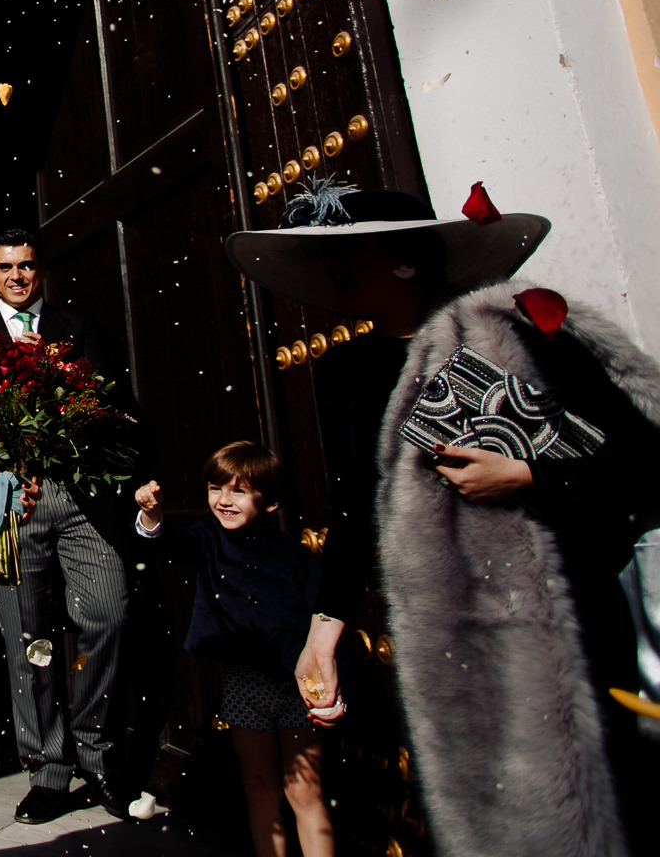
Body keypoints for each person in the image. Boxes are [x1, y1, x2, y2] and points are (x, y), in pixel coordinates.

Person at [224, 178, 659, 857]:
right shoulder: (344, 373)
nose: (330, 268)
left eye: (349, 251)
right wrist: (322, 634)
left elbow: (643, 461)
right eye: (320, 255)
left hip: (566, 612)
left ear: (405, 257)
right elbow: (354, 510)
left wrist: (525, 475)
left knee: (599, 810)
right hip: (452, 636)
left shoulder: (512, 332)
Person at [0, 229, 140, 822]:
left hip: (80, 496)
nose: (18, 277)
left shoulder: (76, 327)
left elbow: (113, 403)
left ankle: (98, 754)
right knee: (28, 637)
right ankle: (49, 769)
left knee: (108, 612)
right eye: (6, 267)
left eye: (27, 266)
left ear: (42, 271)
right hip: (12, 501)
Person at [133, 444, 331, 857]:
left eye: (238, 491)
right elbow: (168, 542)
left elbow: (322, 622)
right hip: (243, 684)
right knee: (259, 786)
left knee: (304, 790)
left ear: (271, 501)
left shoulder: (294, 557)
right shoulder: (209, 538)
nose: (224, 500)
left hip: (297, 685)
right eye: (215, 488)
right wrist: (151, 513)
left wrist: (327, 688)